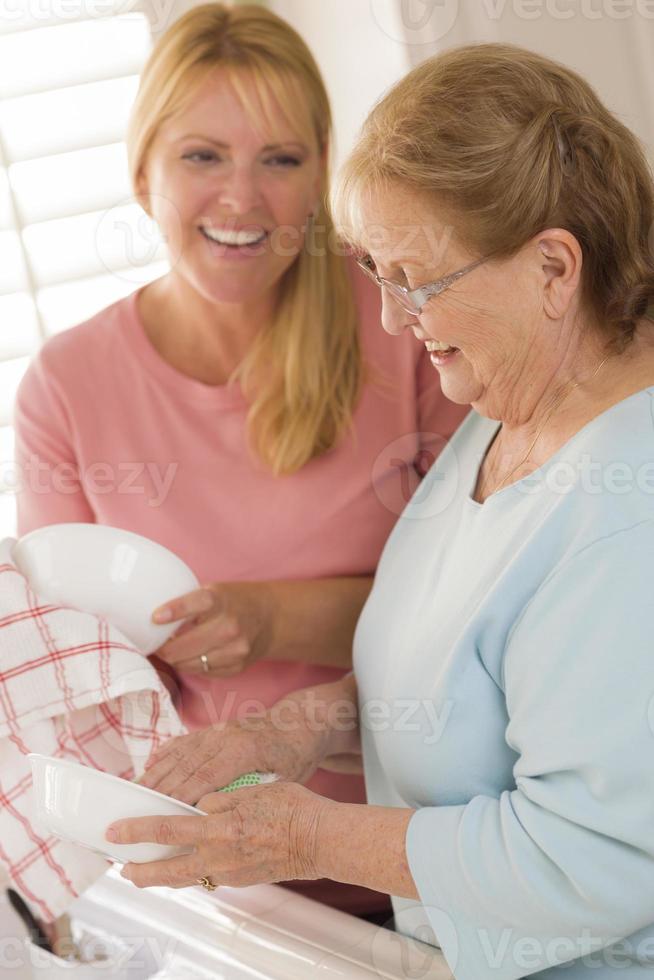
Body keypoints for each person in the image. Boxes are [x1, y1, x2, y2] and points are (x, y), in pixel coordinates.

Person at [106, 42, 654, 979]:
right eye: (376, 273)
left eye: (417, 280)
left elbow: (591, 860)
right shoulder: (503, 411)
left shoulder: (625, 516)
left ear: (554, 269)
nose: (395, 320)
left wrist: (312, 840)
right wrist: (300, 728)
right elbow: (470, 692)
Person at [13, 4, 465, 921]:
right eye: (202, 155)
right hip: (219, 880)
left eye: (282, 160)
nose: (241, 200)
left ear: (321, 175)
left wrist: (268, 619)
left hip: (430, 844)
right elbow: (69, 674)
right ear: (144, 173)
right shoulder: (66, 387)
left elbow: (475, 615)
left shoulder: (405, 327)